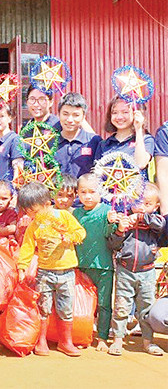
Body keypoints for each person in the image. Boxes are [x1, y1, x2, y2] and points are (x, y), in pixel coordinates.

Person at [17, 182, 86, 357]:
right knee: (43, 307)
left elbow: (80, 232)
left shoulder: (64, 216)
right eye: (28, 212)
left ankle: (66, 342)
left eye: (35, 211)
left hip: (67, 272)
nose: (32, 216)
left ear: (47, 204)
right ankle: (42, 341)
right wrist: (22, 268)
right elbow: (27, 247)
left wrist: (70, 237)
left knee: (66, 308)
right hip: (44, 273)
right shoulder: (34, 226)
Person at [107, 183, 168, 356]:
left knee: (145, 309)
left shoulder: (155, 221)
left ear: (156, 206)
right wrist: (120, 229)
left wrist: (141, 217)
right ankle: (118, 339)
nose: (141, 206)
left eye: (147, 204)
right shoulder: (124, 219)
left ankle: (148, 342)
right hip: (125, 271)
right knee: (121, 307)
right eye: (138, 202)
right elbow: (113, 244)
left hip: (147, 272)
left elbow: (161, 224)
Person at [72, 173, 117, 352]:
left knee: (104, 304)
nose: (88, 196)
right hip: (81, 265)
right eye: (83, 192)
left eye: (92, 191)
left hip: (103, 265)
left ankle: (102, 337)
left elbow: (110, 235)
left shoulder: (107, 211)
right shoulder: (76, 213)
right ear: (77, 193)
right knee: (82, 302)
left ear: (101, 192)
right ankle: (83, 334)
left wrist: (112, 222)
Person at [97, 96, 154, 173]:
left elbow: (140, 164)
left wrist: (138, 129)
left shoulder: (146, 140)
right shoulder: (103, 144)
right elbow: (97, 172)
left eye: (125, 112)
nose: (119, 117)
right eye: (114, 113)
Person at [54, 93, 101, 179]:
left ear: (83, 117)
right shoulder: (50, 142)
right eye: (65, 114)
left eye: (76, 115)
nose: (70, 120)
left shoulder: (93, 141)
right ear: (58, 114)